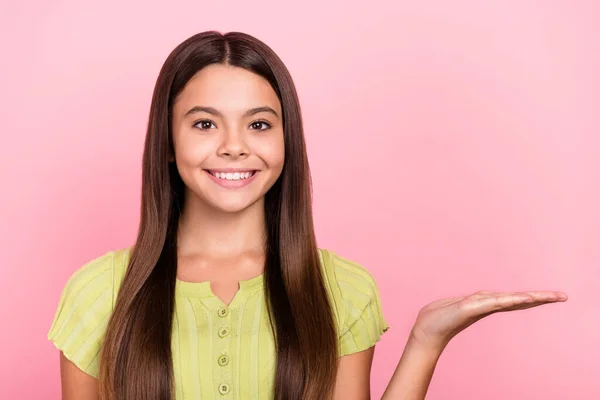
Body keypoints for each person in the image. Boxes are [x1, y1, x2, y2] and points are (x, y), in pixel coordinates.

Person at [47, 31, 568, 400]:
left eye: (258, 124)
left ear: (286, 140)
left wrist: (426, 340)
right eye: (205, 124)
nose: (233, 147)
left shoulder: (342, 289)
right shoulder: (99, 292)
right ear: (167, 140)